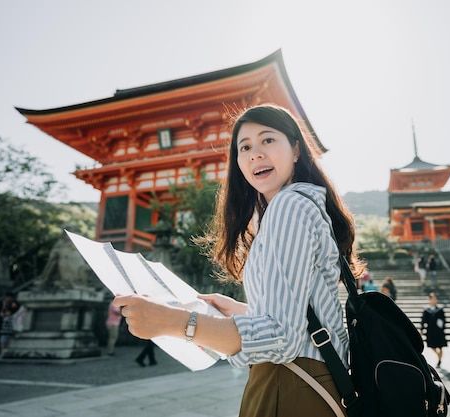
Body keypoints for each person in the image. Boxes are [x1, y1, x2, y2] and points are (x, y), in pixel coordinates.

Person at [114, 104, 365, 416]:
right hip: (303, 381)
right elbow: (295, 321)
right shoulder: (294, 208)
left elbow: (282, 338)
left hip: (290, 384)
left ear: (296, 149)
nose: (254, 154)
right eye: (244, 147)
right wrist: (244, 312)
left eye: (267, 140)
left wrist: (174, 322)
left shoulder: (289, 206)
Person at [420, 293, 447, 368]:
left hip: (439, 331)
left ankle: (439, 361)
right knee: (432, 346)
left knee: (440, 346)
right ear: (429, 300)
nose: (433, 300)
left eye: (435, 299)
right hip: (430, 331)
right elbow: (423, 321)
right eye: (432, 299)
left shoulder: (440, 310)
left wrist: (442, 326)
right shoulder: (426, 310)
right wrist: (422, 329)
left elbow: (444, 320)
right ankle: (439, 356)